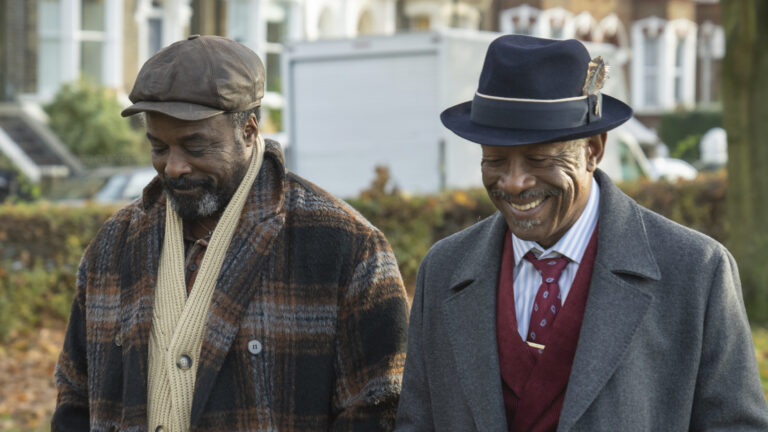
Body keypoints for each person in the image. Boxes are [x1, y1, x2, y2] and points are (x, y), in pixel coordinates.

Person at [395, 34, 768, 431]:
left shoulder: (697, 272)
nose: (515, 182)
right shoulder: (443, 270)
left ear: (593, 149)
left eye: (539, 159)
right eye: (495, 160)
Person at [53, 35, 409, 431]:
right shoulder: (112, 247)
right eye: (158, 147)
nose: (173, 166)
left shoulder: (346, 247)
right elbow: (74, 399)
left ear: (249, 130)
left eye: (195, 146)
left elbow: (378, 410)